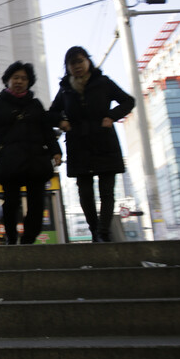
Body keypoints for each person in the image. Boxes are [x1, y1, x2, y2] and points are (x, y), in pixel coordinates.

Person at [49, 46, 135, 243]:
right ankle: (95, 230)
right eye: (72, 63)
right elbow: (51, 113)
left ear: (88, 61)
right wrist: (61, 121)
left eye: (80, 61)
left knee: (107, 190)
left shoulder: (103, 82)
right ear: (67, 67)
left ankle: (104, 232)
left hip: (104, 141)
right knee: (85, 191)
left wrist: (111, 116)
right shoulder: (65, 89)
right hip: (78, 144)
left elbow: (128, 101)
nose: (77, 66)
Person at [0, 61, 62, 245]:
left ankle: (29, 239)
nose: (19, 81)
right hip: (10, 162)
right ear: (7, 80)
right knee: (11, 203)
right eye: (15, 77)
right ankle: (11, 237)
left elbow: (46, 130)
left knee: (37, 203)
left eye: (24, 78)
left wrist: (56, 151)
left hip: (36, 161)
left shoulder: (35, 104)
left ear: (29, 82)